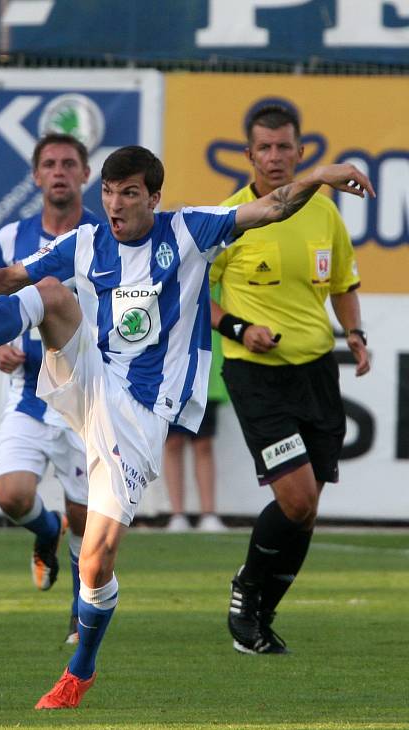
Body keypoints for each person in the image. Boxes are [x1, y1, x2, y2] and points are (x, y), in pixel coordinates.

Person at [0, 144, 373, 708]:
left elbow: (270, 209)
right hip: (92, 377)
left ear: (154, 198)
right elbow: (10, 276)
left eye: (129, 194)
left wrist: (321, 175)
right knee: (47, 294)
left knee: (96, 557)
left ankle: (81, 670)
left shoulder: (189, 231)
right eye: (109, 193)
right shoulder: (87, 241)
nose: (115, 205)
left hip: (142, 413)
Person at [209, 104, 371, 655]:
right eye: (265, 148)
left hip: (317, 372)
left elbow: (344, 281)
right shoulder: (232, 217)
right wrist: (238, 326)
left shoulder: (324, 213)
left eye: (285, 147)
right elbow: (192, 295)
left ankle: (261, 615)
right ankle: (245, 593)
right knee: (297, 500)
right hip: (257, 376)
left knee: (307, 511)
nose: (275, 158)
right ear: (249, 155)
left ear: (300, 152)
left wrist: (355, 335)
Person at [0, 133, 100, 643]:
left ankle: (80, 611)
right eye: (50, 164)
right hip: (28, 393)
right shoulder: (11, 237)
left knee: (86, 514)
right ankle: (44, 531)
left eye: (69, 164)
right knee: (12, 496)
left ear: (85, 173)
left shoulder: (103, 237)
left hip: (84, 399)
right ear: (35, 176)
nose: (59, 171)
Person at [163, 284, 228, 532]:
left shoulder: (214, 267)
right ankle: (177, 513)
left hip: (206, 373)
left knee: (203, 443)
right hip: (172, 371)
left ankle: (208, 512)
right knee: (173, 443)